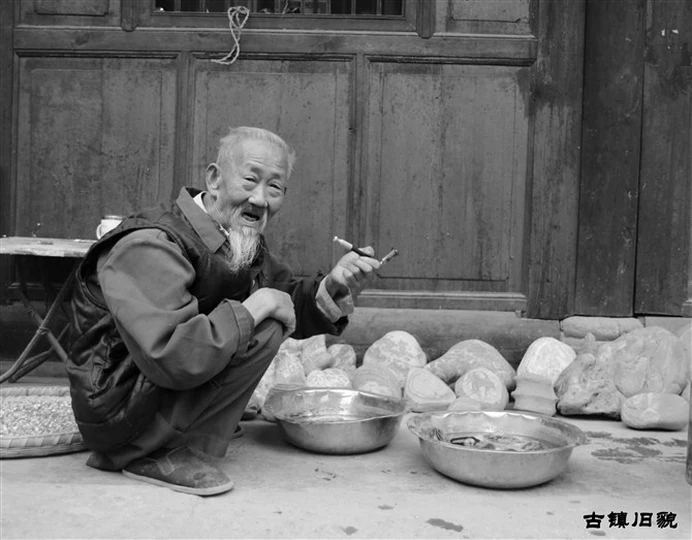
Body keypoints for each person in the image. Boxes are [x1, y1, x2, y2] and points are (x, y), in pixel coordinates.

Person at [67, 126, 380, 496]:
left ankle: (188, 424)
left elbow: (287, 299)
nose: (260, 199)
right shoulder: (150, 244)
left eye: (275, 187)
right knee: (262, 322)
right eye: (250, 180)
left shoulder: (233, 235)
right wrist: (256, 306)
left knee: (268, 316)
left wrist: (335, 283)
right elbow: (170, 355)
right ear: (214, 179)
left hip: (149, 390)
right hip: (119, 410)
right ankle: (149, 450)